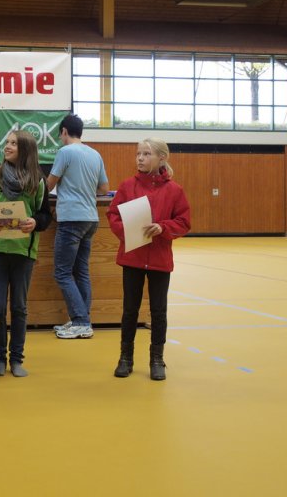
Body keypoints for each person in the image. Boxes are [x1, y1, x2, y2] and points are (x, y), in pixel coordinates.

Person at [106, 138, 191, 380]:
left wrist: (163, 228)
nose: (140, 158)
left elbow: (183, 222)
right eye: (138, 154)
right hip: (132, 257)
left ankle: (157, 359)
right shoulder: (127, 186)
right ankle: (125, 358)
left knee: (159, 311)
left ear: (162, 158)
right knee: (129, 310)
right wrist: (128, 233)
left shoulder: (175, 191)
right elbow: (113, 214)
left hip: (159, 259)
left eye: (146, 154)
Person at [0, 131, 52, 377]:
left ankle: (16, 359)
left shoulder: (37, 181)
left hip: (24, 253)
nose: (7, 146)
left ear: (26, 150)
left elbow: (45, 215)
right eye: (7, 142)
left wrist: (35, 222)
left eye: (13, 144)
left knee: (19, 307)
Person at [47, 114, 108, 339]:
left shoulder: (65, 152)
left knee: (62, 273)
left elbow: (49, 185)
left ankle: (81, 321)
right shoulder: (95, 154)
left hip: (71, 218)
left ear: (64, 131)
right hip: (91, 219)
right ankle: (82, 320)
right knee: (81, 271)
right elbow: (104, 188)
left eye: (60, 134)